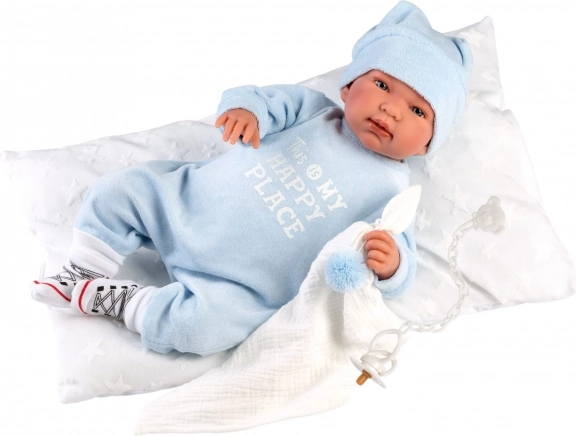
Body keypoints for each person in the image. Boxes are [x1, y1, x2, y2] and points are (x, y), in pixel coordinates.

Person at [29, 1, 472, 356]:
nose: (392, 109)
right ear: (347, 87)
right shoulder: (314, 111)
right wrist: (247, 111)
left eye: (418, 110)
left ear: (425, 146)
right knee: (121, 191)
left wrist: (391, 264)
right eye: (382, 85)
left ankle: (120, 301)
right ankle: (82, 268)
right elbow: (257, 98)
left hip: (240, 286)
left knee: (200, 331)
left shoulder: (394, 192)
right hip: (183, 206)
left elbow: (402, 263)